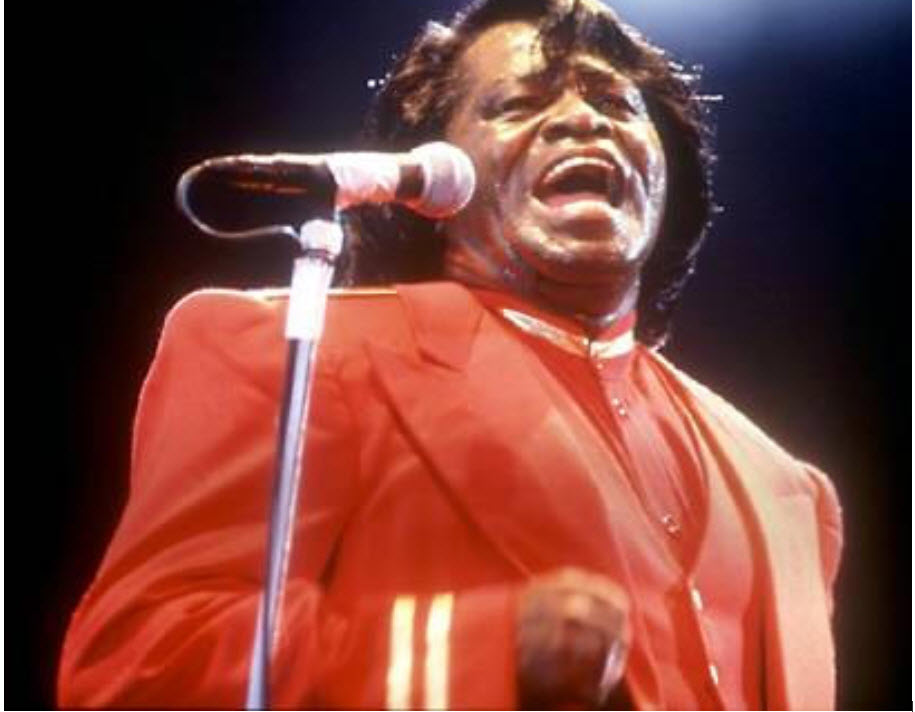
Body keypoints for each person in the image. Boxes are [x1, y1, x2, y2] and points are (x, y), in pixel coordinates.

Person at [57, 0, 843, 708]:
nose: (582, 121)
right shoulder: (298, 350)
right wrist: (477, 652)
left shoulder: (785, 487)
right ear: (433, 185)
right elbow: (139, 664)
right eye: (519, 103)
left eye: (614, 104)